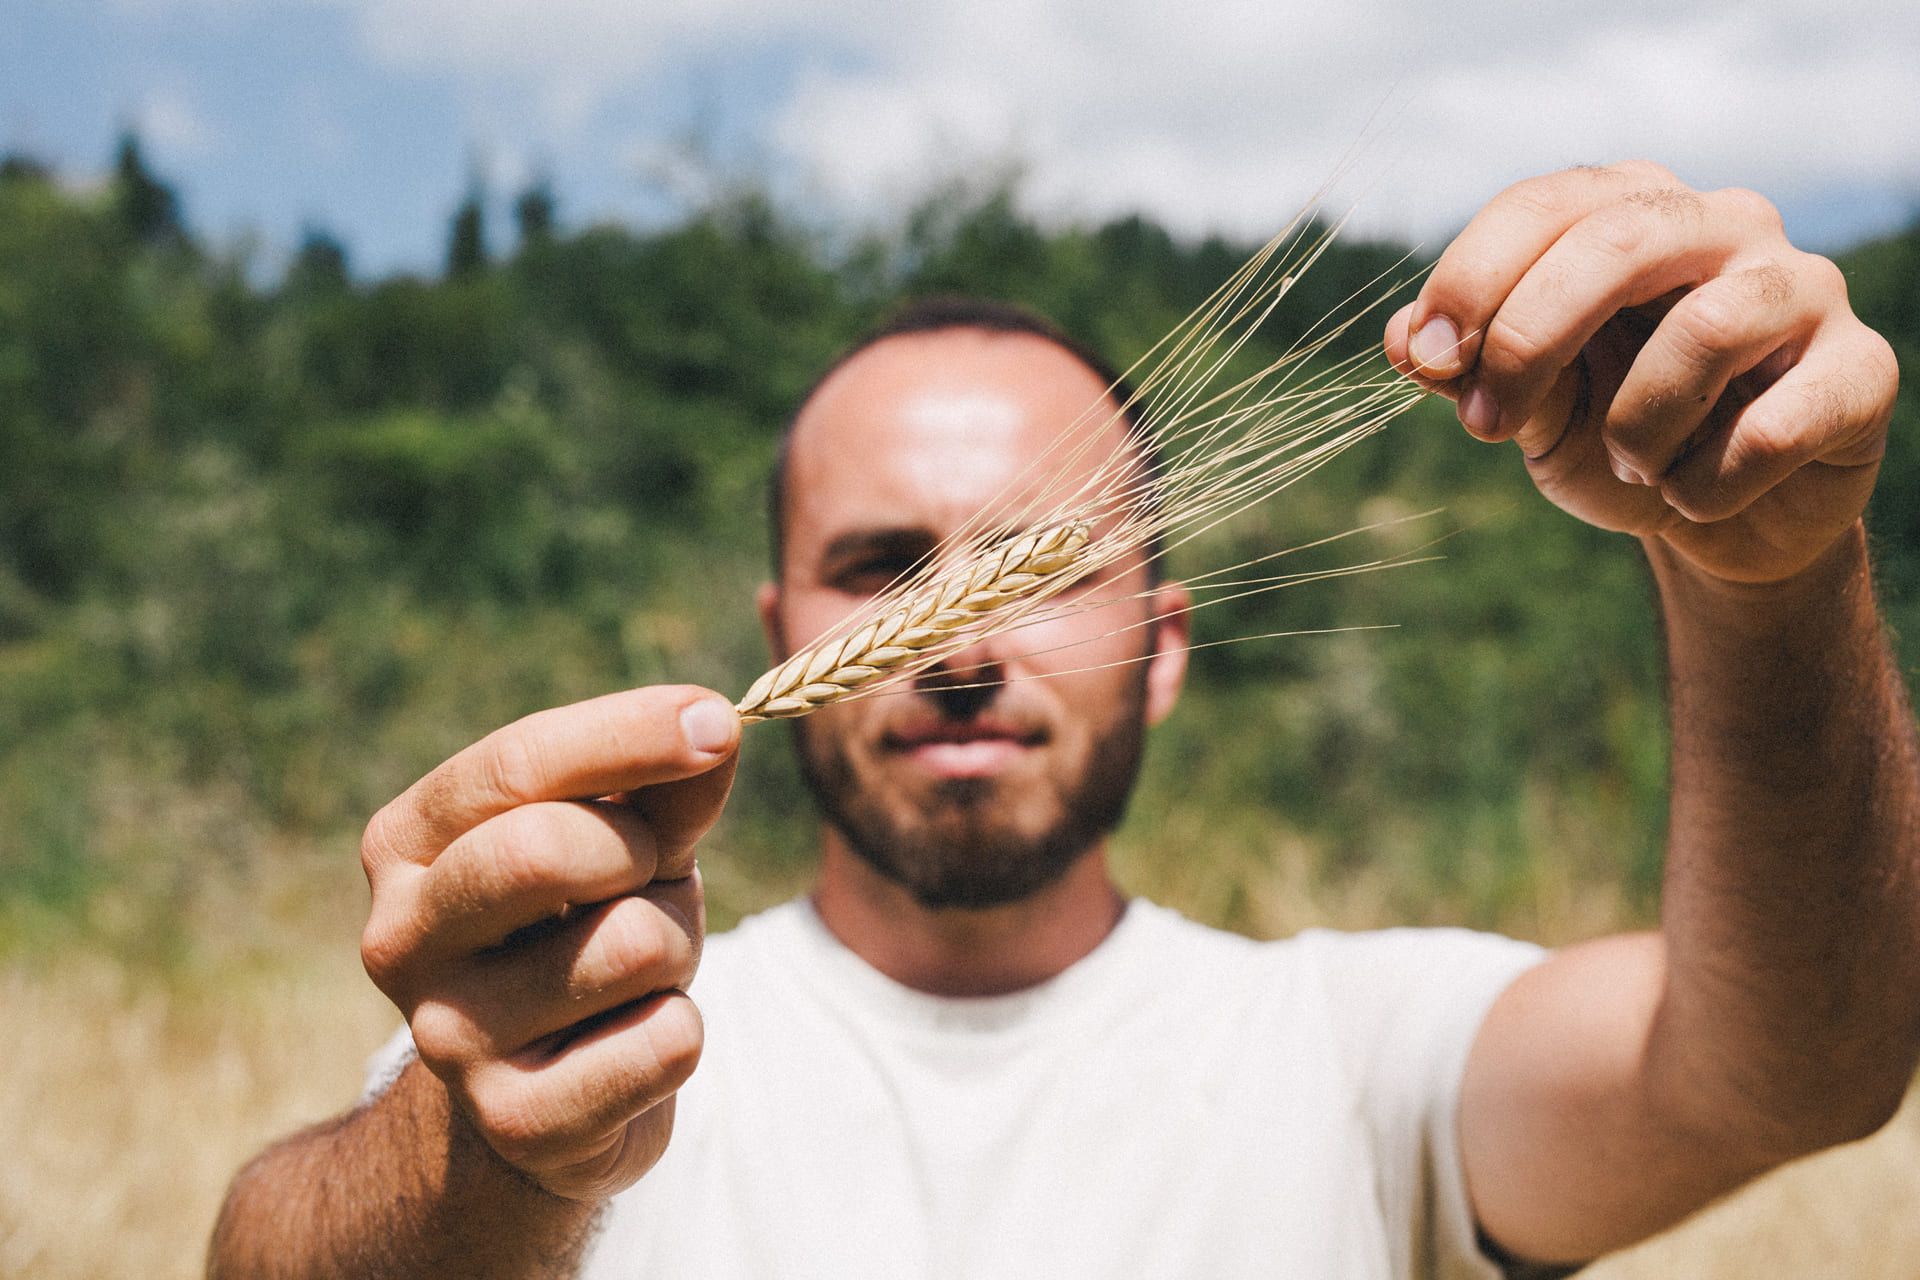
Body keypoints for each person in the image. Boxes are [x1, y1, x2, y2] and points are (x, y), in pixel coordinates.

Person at [210, 161, 1916, 1279]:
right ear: (780, 632)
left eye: (1038, 570)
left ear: (1166, 647)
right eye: (882, 566)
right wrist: (498, 1151)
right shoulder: (589, 1034)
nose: (956, 644)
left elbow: (1791, 1075)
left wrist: (1766, 587)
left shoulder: (1353, 1051)